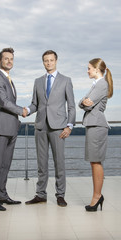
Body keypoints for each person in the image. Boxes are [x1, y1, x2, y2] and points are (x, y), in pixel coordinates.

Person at [25, 50, 76, 207]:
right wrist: (27, 110)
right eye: (46, 60)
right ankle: (41, 194)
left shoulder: (66, 80)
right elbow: (35, 103)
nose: (49, 63)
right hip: (40, 126)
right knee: (42, 163)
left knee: (59, 162)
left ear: (56, 61)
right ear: (43, 62)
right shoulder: (38, 81)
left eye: (51, 60)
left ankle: (60, 195)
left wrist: (69, 125)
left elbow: (72, 106)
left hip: (58, 127)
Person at [0, 47, 27, 211]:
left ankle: (2, 194)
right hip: (1, 127)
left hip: (11, 127)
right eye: (6, 58)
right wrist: (21, 111)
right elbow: (3, 102)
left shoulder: (9, 79)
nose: (9, 61)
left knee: (6, 163)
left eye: (11, 59)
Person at [79, 58, 113, 212]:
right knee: (94, 162)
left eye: (89, 68)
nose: (87, 71)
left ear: (96, 69)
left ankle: (97, 196)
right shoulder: (97, 84)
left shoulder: (101, 85)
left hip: (97, 125)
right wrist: (84, 102)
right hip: (93, 125)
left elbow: (89, 103)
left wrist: (85, 103)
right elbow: (82, 102)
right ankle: (97, 196)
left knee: (96, 162)